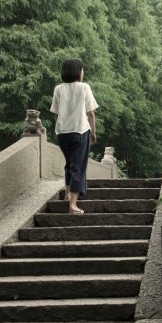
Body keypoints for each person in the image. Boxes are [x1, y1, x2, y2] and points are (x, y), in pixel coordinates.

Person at [50, 58, 99, 214]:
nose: (83, 72)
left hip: (62, 132)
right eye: (82, 69)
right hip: (80, 130)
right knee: (78, 166)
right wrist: (93, 132)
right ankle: (73, 205)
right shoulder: (84, 87)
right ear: (78, 72)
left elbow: (56, 113)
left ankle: (67, 194)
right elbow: (90, 113)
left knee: (69, 163)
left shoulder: (58, 88)